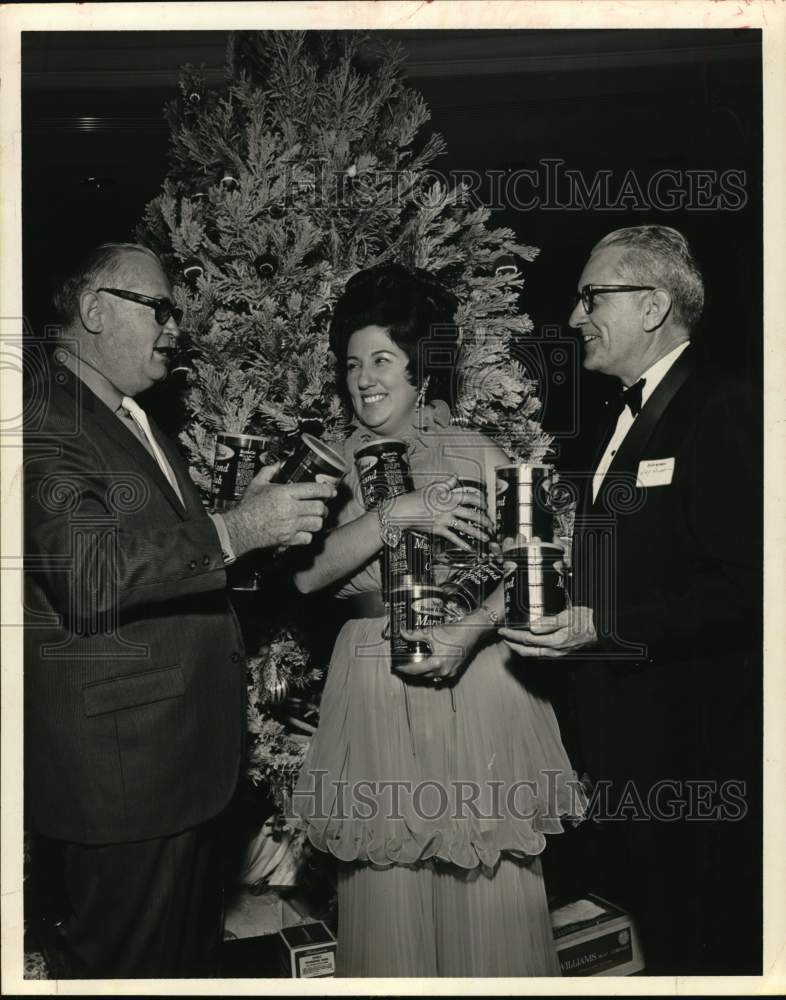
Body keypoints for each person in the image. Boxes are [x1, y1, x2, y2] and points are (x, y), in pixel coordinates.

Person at [23, 243, 336, 978]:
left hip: (179, 774)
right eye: (159, 308)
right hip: (123, 782)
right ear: (94, 310)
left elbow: (168, 562)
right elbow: (90, 572)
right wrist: (238, 528)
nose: (175, 327)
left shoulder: (132, 418)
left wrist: (249, 526)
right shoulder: (44, 417)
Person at [289, 264, 583, 977]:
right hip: (372, 685)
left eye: (382, 360)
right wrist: (399, 513)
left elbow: (542, 559)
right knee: (387, 877)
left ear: (419, 369)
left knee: (485, 883)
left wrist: (473, 629)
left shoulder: (475, 451)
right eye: (352, 364)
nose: (364, 379)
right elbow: (303, 575)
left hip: (474, 687)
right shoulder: (325, 463)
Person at [499, 225, 762, 975]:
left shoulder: (725, 407)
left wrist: (598, 624)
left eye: (592, 297)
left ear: (652, 306)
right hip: (626, 753)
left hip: (696, 758)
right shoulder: (619, 417)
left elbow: (751, 585)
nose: (576, 317)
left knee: (704, 948)